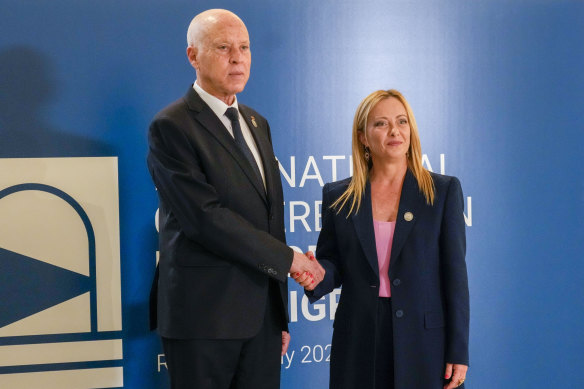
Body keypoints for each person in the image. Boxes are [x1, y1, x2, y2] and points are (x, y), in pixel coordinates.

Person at [147, 9, 324, 389]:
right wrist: (287, 259)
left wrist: (279, 315)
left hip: (260, 320)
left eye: (244, 47)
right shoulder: (172, 126)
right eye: (224, 47)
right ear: (193, 56)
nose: (238, 58)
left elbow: (269, 220)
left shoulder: (257, 123)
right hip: (203, 320)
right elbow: (205, 219)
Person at [294, 89, 469, 389]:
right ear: (363, 136)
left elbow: (455, 277)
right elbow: (332, 263)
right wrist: (315, 275)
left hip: (425, 343)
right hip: (359, 340)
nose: (394, 131)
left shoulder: (442, 192)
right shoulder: (338, 196)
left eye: (402, 122)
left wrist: (458, 350)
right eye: (381, 124)